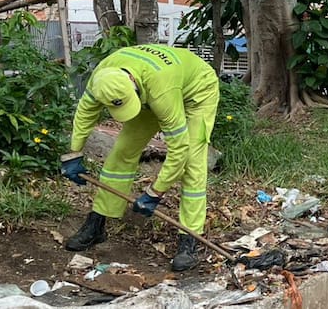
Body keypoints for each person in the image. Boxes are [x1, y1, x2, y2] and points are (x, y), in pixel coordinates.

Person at [59, 44, 219, 271]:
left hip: (196, 90)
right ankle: (97, 224)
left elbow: (179, 148)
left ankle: (189, 239)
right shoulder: (102, 80)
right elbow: (84, 115)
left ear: (132, 86)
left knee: (192, 161)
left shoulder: (161, 90)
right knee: (122, 152)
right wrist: (74, 154)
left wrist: (156, 191)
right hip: (148, 91)